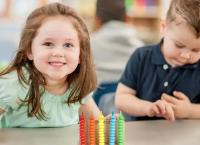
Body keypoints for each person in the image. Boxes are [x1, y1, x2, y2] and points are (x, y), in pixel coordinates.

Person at [0, 3, 100, 128]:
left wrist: (110, 124)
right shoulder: (15, 83)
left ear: (80, 54)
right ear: (29, 51)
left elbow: (98, 124)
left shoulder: (78, 86)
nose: (58, 53)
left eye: (68, 45)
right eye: (48, 44)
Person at [115, 0, 200, 121]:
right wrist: (148, 108)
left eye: (196, 50)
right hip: (140, 134)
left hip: (184, 137)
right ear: (163, 27)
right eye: (179, 45)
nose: (186, 55)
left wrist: (189, 110)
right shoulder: (141, 57)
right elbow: (121, 99)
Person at [91, 0, 144, 115]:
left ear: (97, 20)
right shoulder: (141, 48)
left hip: (96, 116)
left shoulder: (88, 45)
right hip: (132, 115)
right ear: (127, 18)